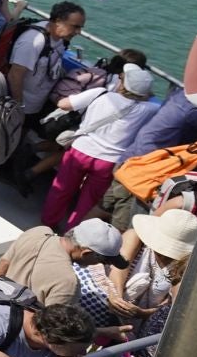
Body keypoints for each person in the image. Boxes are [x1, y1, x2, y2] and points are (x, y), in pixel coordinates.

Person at [40, 63, 157, 231]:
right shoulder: (149, 109)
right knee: (89, 201)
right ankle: (73, 232)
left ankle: (47, 224)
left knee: (62, 189)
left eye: (121, 78)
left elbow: (64, 104)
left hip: (80, 151)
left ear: (123, 84)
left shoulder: (100, 94)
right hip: (108, 162)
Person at [0, 221, 124, 344]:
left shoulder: (38, 231)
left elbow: (3, 265)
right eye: (102, 261)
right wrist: (104, 332)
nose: (101, 265)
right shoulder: (69, 282)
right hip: (11, 336)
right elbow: (50, 332)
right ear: (86, 253)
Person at [105, 209, 197, 325]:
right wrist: (116, 297)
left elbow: (170, 305)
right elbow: (118, 269)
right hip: (106, 304)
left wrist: (143, 313)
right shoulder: (135, 237)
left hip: (142, 325)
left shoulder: (184, 266)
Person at [7, 1, 85, 123]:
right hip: (23, 106)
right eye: (75, 26)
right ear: (58, 21)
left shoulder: (61, 39)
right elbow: (14, 76)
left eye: (80, 28)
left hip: (38, 103)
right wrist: (18, 108)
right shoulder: (32, 42)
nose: (78, 32)